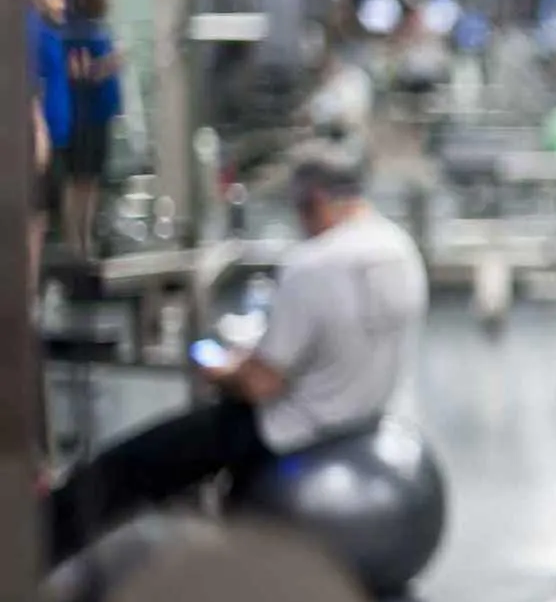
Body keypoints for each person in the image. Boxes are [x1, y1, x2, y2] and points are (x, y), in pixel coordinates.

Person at [45, 142, 427, 564]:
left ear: (315, 200)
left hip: (290, 427)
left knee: (131, 463)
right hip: (362, 414)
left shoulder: (314, 263)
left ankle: (34, 544)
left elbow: (260, 384)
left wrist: (216, 366)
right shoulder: (399, 247)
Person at [60, 0, 124, 259]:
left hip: (99, 117)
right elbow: (82, 73)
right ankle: (76, 242)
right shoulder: (78, 34)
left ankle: (86, 240)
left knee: (91, 181)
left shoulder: (99, 31)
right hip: (83, 118)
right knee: (78, 182)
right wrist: (111, 63)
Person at [29, 0, 69, 269]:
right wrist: (39, 130)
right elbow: (32, 86)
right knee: (34, 215)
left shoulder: (53, 28)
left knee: (43, 215)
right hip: (41, 134)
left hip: (58, 130)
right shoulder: (32, 27)